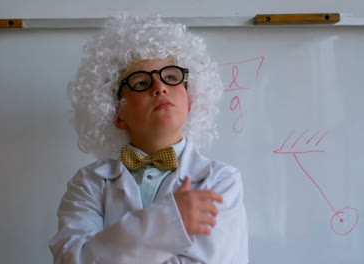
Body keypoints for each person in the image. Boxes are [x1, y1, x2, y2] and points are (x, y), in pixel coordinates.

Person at [49, 15, 248, 264]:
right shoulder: (89, 183)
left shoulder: (220, 180)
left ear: (191, 100)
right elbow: (72, 259)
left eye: (172, 77)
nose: (160, 87)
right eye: (141, 82)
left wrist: (108, 249)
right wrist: (167, 223)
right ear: (117, 114)